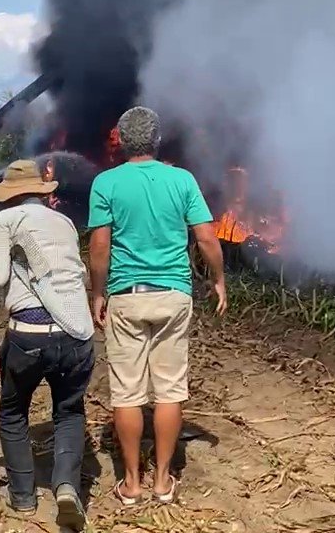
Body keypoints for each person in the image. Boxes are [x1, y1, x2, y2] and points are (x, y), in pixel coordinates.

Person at [0, 160, 94, 531]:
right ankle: (65, 487)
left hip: (29, 337)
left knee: (13, 412)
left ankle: (24, 497)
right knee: (70, 413)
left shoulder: (7, 221)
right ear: (41, 192)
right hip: (77, 335)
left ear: (9, 195)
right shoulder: (64, 222)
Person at [88, 107, 227, 506]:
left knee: (127, 393)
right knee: (169, 390)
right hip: (173, 295)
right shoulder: (182, 180)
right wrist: (218, 279)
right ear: (157, 140)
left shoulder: (106, 182)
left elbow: (99, 246)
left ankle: (131, 483)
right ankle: (163, 481)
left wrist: (98, 293)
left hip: (127, 296)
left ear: (122, 142)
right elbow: (205, 238)